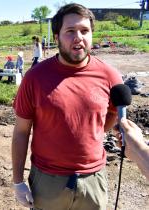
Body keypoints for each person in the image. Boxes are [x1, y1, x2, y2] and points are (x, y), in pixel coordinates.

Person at [12, 3, 123, 210]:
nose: (78, 37)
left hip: (93, 180)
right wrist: (18, 181)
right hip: (47, 181)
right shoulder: (35, 78)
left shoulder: (110, 76)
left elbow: (113, 114)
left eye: (84, 31)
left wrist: (92, 133)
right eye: (70, 31)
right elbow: (21, 131)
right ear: (56, 37)